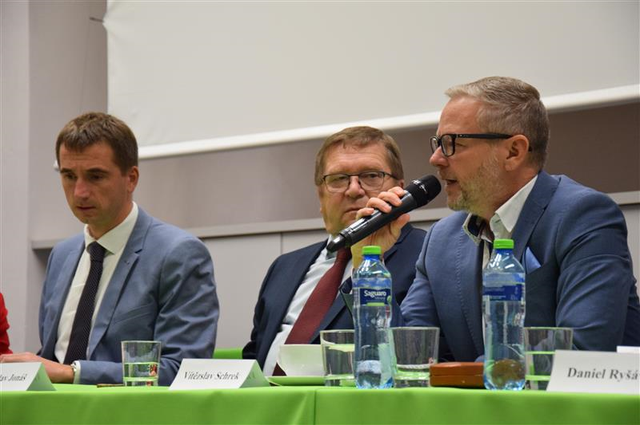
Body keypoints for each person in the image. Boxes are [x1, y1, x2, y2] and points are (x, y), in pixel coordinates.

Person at [363, 76, 640, 361]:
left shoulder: (584, 216)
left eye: (452, 143)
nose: (436, 158)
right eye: (437, 143)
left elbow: (581, 349)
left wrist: (469, 372)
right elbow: (409, 354)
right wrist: (369, 264)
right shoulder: (441, 239)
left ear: (513, 151)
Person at [0, 112, 219, 385]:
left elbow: (183, 370)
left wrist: (74, 373)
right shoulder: (62, 255)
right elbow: (53, 358)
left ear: (131, 178)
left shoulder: (178, 254)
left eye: (95, 176)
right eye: (69, 176)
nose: (79, 192)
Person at [243, 126, 426, 375]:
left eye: (371, 176)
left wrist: (367, 263)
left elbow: (415, 359)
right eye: (338, 179)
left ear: (399, 190)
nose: (354, 189)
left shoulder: (425, 256)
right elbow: (254, 357)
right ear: (321, 196)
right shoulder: (284, 266)